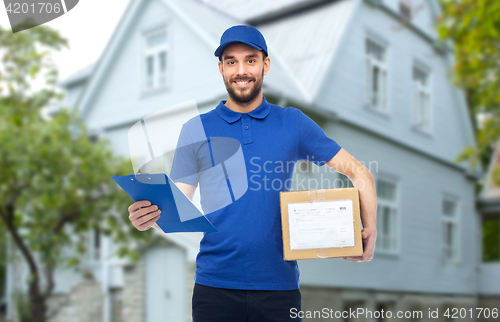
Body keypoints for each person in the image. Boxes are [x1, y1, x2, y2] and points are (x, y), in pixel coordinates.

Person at [127, 25, 377, 322]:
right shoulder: (195, 129)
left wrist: (370, 226)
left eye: (250, 60)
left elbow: (359, 171)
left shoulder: (293, 123)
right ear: (221, 68)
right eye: (231, 61)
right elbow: (177, 209)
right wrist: (149, 218)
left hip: (279, 289)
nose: (241, 70)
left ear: (265, 65)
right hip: (214, 288)